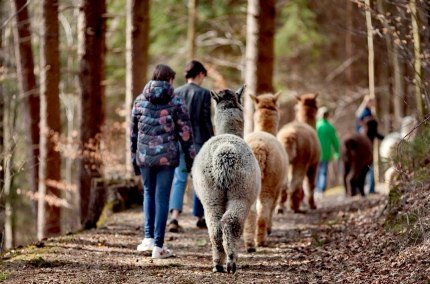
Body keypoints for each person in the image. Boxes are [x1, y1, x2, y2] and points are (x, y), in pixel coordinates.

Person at [130, 64, 196, 259]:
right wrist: (191, 159)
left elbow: (133, 134)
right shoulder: (176, 101)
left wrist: (133, 159)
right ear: (169, 80)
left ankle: (148, 239)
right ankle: (158, 246)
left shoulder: (139, 100)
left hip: (144, 157)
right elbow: (186, 133)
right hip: (167, 157)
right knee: (162, 198)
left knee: (148, 194)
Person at [167, 60, 214, 232]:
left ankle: (174, 217)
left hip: (180, 142)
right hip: (199, 141)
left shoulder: (176, 92)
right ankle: (199, 217)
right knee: (199, 179)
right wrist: (211, 141)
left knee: (179, 178)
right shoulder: (205, 94)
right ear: (200, 74)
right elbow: (205, 120)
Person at [355, 95, 377, 194]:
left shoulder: (361, 113)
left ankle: (364, 188)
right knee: (369, 166)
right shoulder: (366, 113)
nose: (374, 104)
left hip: (363, 143)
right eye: (372, 102)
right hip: (366, 143)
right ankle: (370, 188)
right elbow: (363, 129)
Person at [315, 107, 340, 194]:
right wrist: (337, 152)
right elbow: (335, 141)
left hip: (316, 153)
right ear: (327, 116)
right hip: (326, 153)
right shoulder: (330, 127)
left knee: (316, 172)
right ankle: (321, 190)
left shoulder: (316, 126)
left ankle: (315, 190)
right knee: (323, 172)